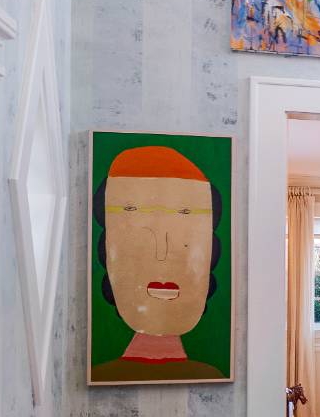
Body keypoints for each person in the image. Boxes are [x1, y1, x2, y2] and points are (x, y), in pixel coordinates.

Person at [92, 145, 224, 382]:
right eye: (139, 243)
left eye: (185, 240)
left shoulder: (210, 375)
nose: (162, 254)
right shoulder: (100, 374)